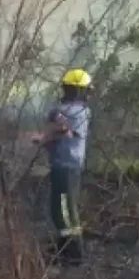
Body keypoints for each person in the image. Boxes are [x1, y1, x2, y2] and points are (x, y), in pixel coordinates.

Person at [35, 68, 92, 265]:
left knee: (66, 210)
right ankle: (63, 245)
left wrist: (43, 137)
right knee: (58, 208)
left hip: (68, 166)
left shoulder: (79, 111)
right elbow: (56, 115)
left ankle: (74, 254)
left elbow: (63, 128)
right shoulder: (70, 108)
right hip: (61, 165)